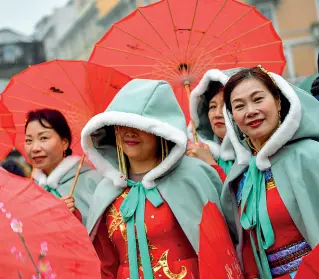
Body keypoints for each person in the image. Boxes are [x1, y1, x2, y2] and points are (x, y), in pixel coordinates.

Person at [81, 79, 223, 279]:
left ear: (162, 131)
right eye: (122, 124)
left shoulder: (194, 175)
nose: (129, 132)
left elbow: (222, 248)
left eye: (139, 125)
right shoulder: (105, 189)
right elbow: (105, 263)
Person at [220, 66, 319, 279]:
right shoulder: (240, 177)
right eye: (239, 106)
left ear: (278, 101)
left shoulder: (310, 155)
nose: (250, 111)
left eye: (258, 99)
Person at [25, 109, 102, 225]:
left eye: (44, 138)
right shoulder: (27, 189)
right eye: (29, 140)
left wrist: (75, 217)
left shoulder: (94, 180)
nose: (35, 148)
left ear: (64, 143)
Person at [187, 69, 237, 176]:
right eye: (213, 106)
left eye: (225, 106)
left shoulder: (254, 153)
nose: (217, 114)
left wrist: (210, 164)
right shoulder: (196, 154)